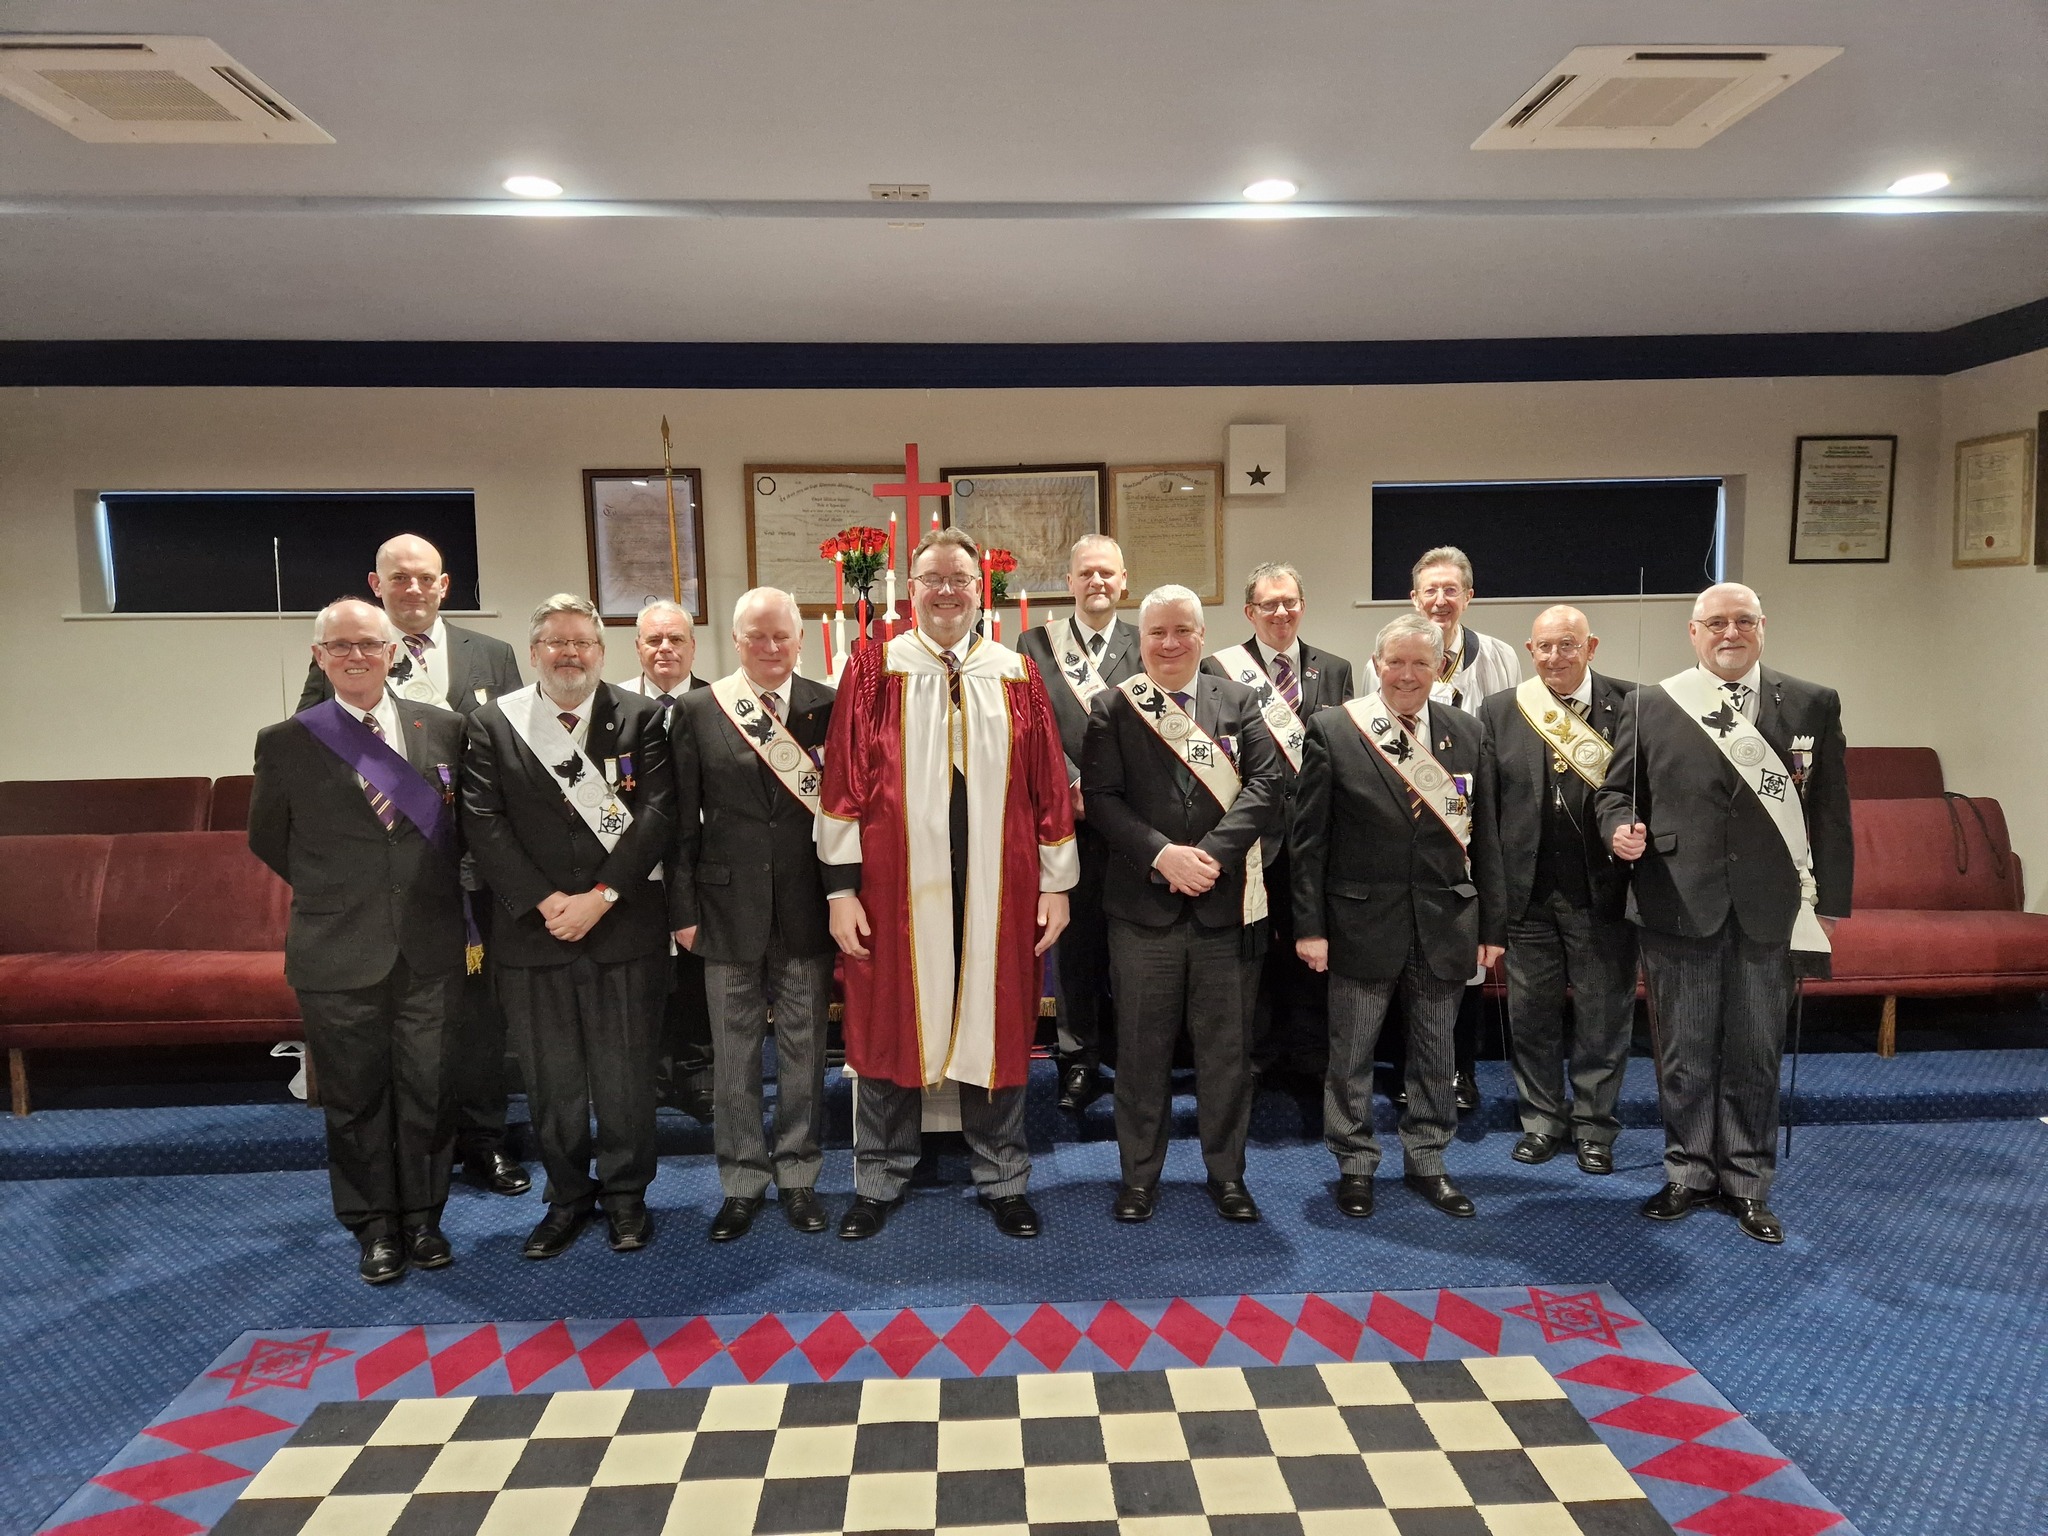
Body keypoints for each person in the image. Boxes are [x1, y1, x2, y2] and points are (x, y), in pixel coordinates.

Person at [819, 527, 1076, 1242]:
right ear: (910, 590)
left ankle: (1004, 1177)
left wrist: (1056, 884)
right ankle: (878, 1178)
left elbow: (1048, 785)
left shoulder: (1015, 674)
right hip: (893, 887)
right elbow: (842, 780)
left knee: (999, 1019)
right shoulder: (875, 669)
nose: (946, 591)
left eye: (959, 579)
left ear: (978, 589)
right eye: (932, 578)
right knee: (889, 1018)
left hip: (1003, 885)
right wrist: (841, 890)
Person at [1597, 582, 1851, 1244]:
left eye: (1743, 621)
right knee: (1683, 1051)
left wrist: (1831, 904)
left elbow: (1829, 808)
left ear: (1762, 627)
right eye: (1716, 623)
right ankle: (1686, 1172)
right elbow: (1616, 793)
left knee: (1755, 1050)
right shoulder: (1652, 703)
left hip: (1773, 905)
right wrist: (1618, 830)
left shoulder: (1811, 702)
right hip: (1677, 900)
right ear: (1694, 632)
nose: (1729, 633)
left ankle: (1746, 1182)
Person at [297, 532, 530, 1198]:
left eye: (426, 577)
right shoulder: (352, 653)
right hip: (391, 888)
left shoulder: (491, 655)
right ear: (377, 586)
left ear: (444, 585)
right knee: (403, 1026)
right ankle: (414, 1150)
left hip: (475, 877)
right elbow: (316, 751)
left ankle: (485, 1141)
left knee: (480, 1022)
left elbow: (518, 753)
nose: (414, 588)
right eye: (399, 578)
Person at [251, 598, 469, 1284]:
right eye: (339, 646)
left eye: (368, 645)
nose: (355, 656)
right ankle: (374, 1227)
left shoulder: (444, 728)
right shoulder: (286, 741)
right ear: (319, 656)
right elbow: (268, 838)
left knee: (428, 1090)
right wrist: (344, 893)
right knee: (354, 1100)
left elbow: (463, 832)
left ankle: (425, 1219)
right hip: (337, 948)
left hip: (429, 945)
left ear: (392, 653)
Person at [460, 595, 676, 1259]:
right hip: (535, 933)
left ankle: (627, 1197)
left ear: (601, 652)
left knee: (625, 1077)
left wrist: (601, 897)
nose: (570, 654)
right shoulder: (494, 724)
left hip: (622, 929)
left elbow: (657, 817)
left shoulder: (641, 717)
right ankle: (566, 1197)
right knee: (551, 1080)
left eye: (582, 642)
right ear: (534, 653)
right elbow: (482, 822)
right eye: (556, 642)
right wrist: (547, 901)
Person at [1292, 612, 1505, 1220]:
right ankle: (1355, 1164)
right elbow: (1309, 842)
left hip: (1446, 922)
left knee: (1436, 1054)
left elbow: (1487, 835)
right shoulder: (1335, 729)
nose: (1407, 674)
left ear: (1440, 668)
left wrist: (1492, 926)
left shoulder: (1467, 731)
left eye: (1420, 663)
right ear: (1376, 665)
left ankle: (1429, 1161)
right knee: (1352, 1054)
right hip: (1360, 922)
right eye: (1396, 662)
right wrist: (1311, 927)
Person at [1084, 585, 1282, 1224]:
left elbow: (1266, 785)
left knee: (1227, 1053)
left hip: (1223, 909)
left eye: (1181, 631)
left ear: (1201, 635)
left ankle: (1228, 1175)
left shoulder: (1240, 700)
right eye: (1157, 633)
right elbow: (1102, 799)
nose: (1169, 644)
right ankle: (1139, 1177)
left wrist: (1211, 857)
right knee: (1141, 1053)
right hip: (1143, 912)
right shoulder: (1114, 706)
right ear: (1140, 640)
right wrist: (1163, 855)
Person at [669, 588, 836, 1242]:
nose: (770, 648)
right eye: (756, 637)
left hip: (806, 907)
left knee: (804, 1051)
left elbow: (846, 816)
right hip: (723, 909)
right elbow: (681, 822)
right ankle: (741, 1180)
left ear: (800, 640)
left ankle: (798, 1174)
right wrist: (682, 909)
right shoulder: (698, 710)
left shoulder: (829, 705)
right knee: (734, 1056)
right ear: (736, 642)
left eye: (781, 636)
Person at [1477, 606, 1636, 1175]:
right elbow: (1487, 808)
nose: (1554, 657)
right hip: (1527, 893)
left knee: (1603, 1017)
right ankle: (1541, 1120)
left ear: (1591, 647)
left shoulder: (1633, 703)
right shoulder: (1501, 709)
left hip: (1603, 891)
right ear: (1530, 650)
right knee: (1532, 1017)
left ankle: (1594, 1126)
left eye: (1567, 645)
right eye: (1544, 646)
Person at [1202, 562, 1354, 1087]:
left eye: (1289, 602)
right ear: (1250, 611)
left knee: (1312, 945)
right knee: (1254, 951)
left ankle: (1310, 1054)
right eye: (1269, 604)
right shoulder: (1219, 668)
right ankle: (1259, 1052)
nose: (1281, 612)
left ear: (1302, 606)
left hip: (1315, 835)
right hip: (1251, 837)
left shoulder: (1334, 669)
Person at [1017, 534, 1142, 1111]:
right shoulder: (1034, 645)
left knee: (1135, 949)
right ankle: (1078, 1060)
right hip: (1066, 822)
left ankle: (1133, 1060)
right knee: (1074, 949)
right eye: (1086, 572)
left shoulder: (1146, 641)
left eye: (1107, 573)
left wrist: (1109, 793)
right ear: (1069, 582)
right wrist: (1072, 786)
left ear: (1123, 581)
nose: (1097, 581)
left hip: (1134, 824)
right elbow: (1031, 725)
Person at [1407, 545, 1521, 1112]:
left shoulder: (1499, 657)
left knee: (1466, 951)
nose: (1440, 600)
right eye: (1430, 590)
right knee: (1409, 950)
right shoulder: (1393, 650)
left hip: (1472, 821)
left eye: (1450, 590)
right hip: (1410, 822)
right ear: (1414, 598)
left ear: (1469, 597)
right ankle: (1411, 1067)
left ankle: (1460, 1069)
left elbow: (1510, 736)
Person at [623, 599, 716, 1126]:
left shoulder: (719, 703)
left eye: (676, 639)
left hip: (702, 867)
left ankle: (698, 1076)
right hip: (632, 868)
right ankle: (653, 1078)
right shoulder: (611, 706)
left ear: (692, 647)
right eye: (654, 640)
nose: (665, 649)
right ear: (637, 647)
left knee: (698, 975)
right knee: (642, 975)